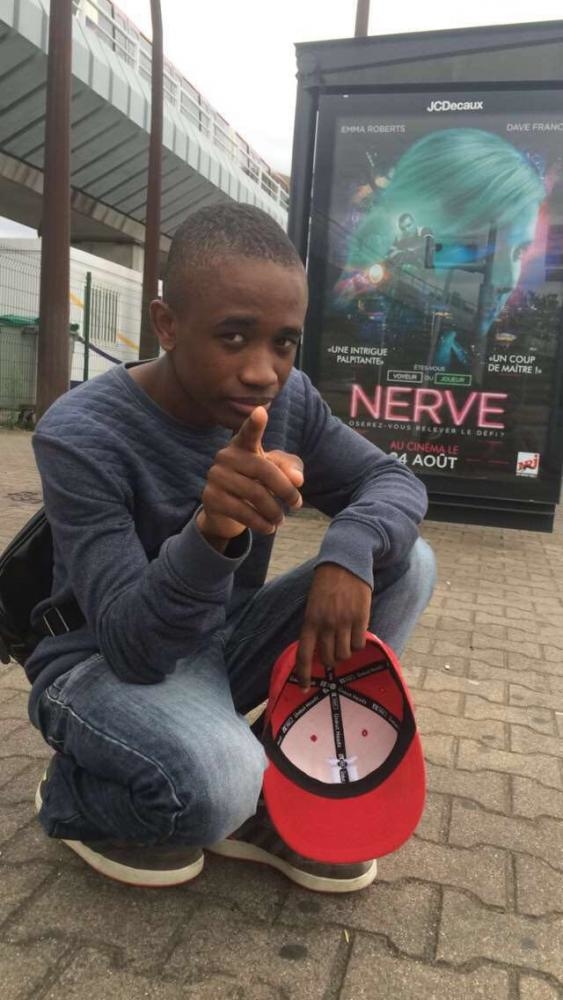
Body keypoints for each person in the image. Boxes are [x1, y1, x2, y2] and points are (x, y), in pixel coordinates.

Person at [28, 204, 435, 893]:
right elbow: (132, 647)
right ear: (167, 324)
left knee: (406, 560)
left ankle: (276, 801)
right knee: (217, 785)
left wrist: (349, 547)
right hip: (99, 665)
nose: (262, 371)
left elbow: (392, 481)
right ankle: (80, 797)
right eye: (234, 336)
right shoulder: (83, 434)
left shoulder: (289, 401)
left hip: (220, 638)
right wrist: (211, 533)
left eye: (283, 342)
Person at [335, 129, 545, 366]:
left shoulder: (456, 355)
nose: (508, 281)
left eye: (519, 251)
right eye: (477, 248)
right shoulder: (357, 326)